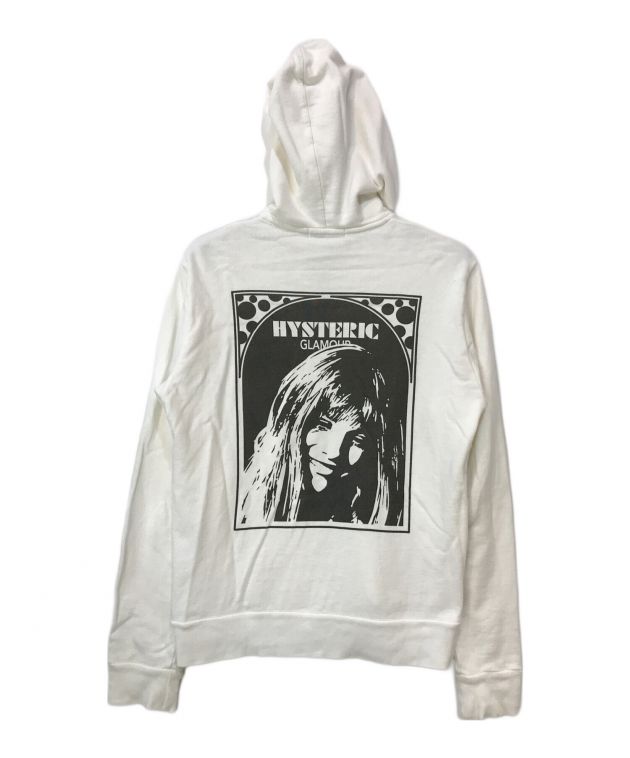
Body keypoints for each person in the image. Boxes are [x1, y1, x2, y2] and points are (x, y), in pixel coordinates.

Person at [236, 344, 405, 527]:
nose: (334, 453)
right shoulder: (240, 504)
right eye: (323, 425)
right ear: (290, 421)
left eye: (357, 440)